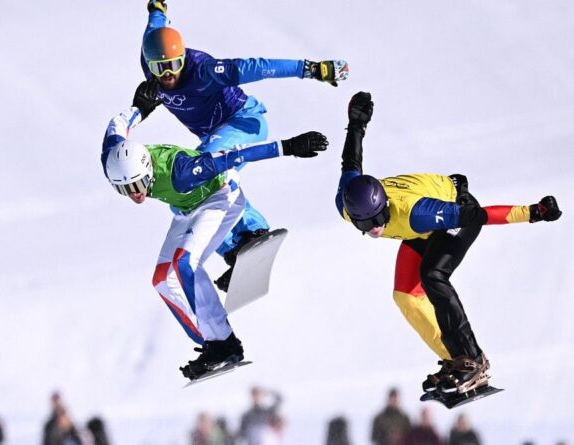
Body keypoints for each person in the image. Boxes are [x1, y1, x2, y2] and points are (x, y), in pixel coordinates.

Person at [335, 92, 562, 394]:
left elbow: (478, 215)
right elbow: (351, 162)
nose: (374, 228)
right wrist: (356, 124)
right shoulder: (347, 202)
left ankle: (474, 360)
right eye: (364, 225)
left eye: (378, 218)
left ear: (386, 206)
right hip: (419, 229)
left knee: (433, 275)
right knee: (405, 297)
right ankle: (456, 360)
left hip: (455, 210)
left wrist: (533, 212)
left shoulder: (418, 213)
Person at [102, 83, 327, 379]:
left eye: (139, 184)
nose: (135, 194)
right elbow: (117, 125)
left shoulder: (182, 171)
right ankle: (211, 341)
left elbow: (233, 156)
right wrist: (139, 108)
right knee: (162, 279)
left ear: (148, 170)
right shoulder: (113, 157)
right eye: (124, 189)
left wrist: (289, 147)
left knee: (185, 262)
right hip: (187, 208)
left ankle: (224, 341)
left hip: (221, 197)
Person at [139, 0, 348, 291]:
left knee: (198, 174)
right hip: (213, 135)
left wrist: (311, 69)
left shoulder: (204, 71)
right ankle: (238, 248)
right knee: (186, 194)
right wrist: (157, 8)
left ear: (183, 58)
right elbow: (155, 25)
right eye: (159, 69)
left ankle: (251, 232)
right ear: (149, 63)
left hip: (243, 121)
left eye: (174, 65)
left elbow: (257, 67)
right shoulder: (151, 59)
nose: (167, 75)